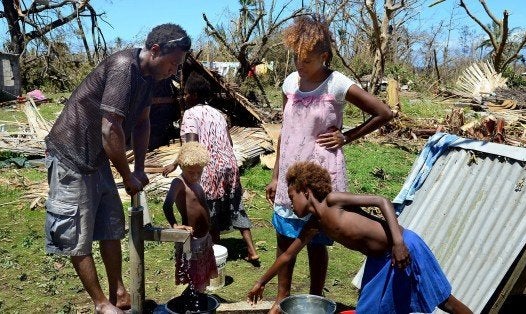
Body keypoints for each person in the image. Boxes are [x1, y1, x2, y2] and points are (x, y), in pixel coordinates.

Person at [43, 23, 191, 314]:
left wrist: (138, 168)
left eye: (178, 65)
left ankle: (119, 291)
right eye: (173, 62)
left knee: (111, 225)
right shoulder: (125, 68)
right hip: (72, 155)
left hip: (98, 158)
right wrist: (126, 175)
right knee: (76, 232)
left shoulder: (152, 78)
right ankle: (101, 303)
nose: (174, 70)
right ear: (155, 50)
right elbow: (110, 127)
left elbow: (143, 122)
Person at [264, 15, 393, 312]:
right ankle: (281, 297)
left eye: (307, 60)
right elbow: (286, 131)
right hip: (291, 173)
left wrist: (346, 137)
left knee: (318, 240)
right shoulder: (289, 84)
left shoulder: (337, 84)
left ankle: (314, 298)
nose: (300, 64)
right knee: (285, 235)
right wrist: (275, 175)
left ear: (323, 56)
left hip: (322, 173)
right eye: (296, 58)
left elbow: (383, 112)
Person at [249, 161, 473, 314]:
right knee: (369, 310)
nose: (290, 202)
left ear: (306, 191)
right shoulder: (314, 224)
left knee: (445, 302)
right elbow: (288, 255)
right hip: (379, 263)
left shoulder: (333, 201)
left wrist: (398, 243)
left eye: (292, 196)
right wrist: (261, 282)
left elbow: (381, 201)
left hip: (404, 247)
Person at [163, 72, 260, 265]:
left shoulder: (190, 114)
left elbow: (191, 147)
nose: (185, 96)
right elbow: (229, 142)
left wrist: (176, 164)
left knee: (208, 210)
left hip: (208, 167)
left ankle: (212, 254)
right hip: (229, 165)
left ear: (194, 94)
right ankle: (251, 250)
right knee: (236, 206)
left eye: (187, 93)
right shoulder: (218, 114)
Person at [163, 141, 218, 292]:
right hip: (192, 238)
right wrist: (174, 225)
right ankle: (193, 300)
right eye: (191, 173)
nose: (195, 176)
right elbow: (167, 205)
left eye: (199, 172)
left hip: (204, 236)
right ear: (181, 167)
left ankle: (197, 297)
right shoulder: (178, 183)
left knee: (202, 273)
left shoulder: (196, 181)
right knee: (193, 273)